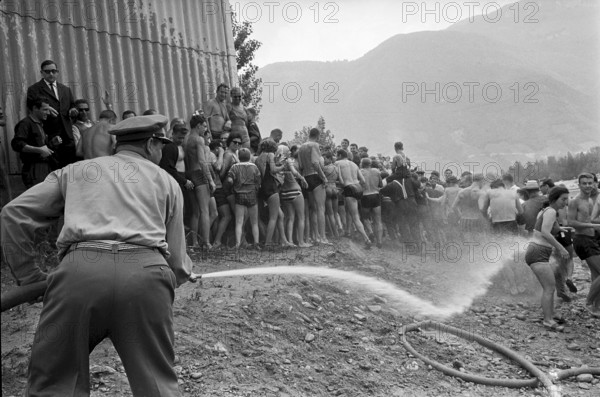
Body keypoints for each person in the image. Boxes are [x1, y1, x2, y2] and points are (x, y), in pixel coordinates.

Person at [1, 114, 199, 395]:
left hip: (79, 276)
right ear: (152, 144)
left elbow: (13, 215)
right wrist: (181, 273)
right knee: (156, 383)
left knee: (56, 383)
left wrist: (29, 277)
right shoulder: (167, 182)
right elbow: (177, 262)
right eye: (162, 144)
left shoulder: (76, 171)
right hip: (145, 279)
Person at [524, 186, 571, 330]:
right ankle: (548, 320)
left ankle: (552, 313)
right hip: (538, 252)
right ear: (555, 199)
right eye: (563, 199)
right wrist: (561, 248)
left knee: (550, 287)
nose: (566, 202)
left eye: (567, 199)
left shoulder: (546, 210)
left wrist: (560, 229)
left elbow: (545, 227)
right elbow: (545, 232)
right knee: (549, 288)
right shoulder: (551, 211)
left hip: (537, 251)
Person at [27, 60, 79, 167]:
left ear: (57, 72)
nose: (51, 74)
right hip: (48, 135)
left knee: (70, 168)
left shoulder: (65, 89)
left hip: (67, 135)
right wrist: (46, 108)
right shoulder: (34, 89)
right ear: (42, 72)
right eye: (47, 71)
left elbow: (72, 105)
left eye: (53, 71)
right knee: (53, 170)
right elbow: (31, 106)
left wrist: (73, 110)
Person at [568, 173, 600, 317]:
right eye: (584, 183)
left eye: (590, 183)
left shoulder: (591, 201)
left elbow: (590, 220)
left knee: (596, 275)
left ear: (594, 184)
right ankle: (588, 303)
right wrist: (592, 226)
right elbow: (571, 222)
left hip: (591, 239)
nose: (588, 185)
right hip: (582, 240)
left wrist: (595, 225)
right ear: (579, 185)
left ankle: (596, 307)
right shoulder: (575, 201)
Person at [11, 96, 60, 187]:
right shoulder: (25, 124)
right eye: (45, 110)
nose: (48, 113)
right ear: (35, 108)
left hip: (45, 167)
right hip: (34, 169)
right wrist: (39, 150)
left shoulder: (40, 124)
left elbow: (43, 147)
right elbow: (17, 144)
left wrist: (52, 143)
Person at [185, 110, 215, 248]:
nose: (205, 129)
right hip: (198, 174)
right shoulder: (199, 139)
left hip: (188, 174)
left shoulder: (186, 139)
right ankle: (207, 243)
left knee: (195, 212)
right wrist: (211, 180)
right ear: (198, 126)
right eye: (204, 126)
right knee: (205, 211)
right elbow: (203, 162)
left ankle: (195, 243)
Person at [255, 139, 291, 247]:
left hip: (263, 188)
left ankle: (284, 240)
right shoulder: (270, 154)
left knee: (280, 215)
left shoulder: (258, 158)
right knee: (273, 217)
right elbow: (273, 170)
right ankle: (268, 243)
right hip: (271, 186)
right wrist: (282, 167)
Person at [298, 128, 330, 245]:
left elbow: (301, 165)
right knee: (321, 208)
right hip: (315, 176)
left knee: (313, 210)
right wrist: (324, 178)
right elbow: (316, 163)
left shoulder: (301, 147)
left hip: (306, 177)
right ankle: (322, 238)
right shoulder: (315, 145)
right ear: (318, 135)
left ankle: (315, 236)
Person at [226, 148, 261, 249]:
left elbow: (229, 180)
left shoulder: (234, 167)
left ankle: (237, 244)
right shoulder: (254, 167)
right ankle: (256, 243)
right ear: (249, 156)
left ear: (239, 157)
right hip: (252, 195)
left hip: (239, 195)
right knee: (254, 222)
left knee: (239, 221)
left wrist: (233, 184)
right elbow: (258, 181)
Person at [336, 149, 371, 247]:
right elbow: (363, 180)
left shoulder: (337, 163)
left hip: (349, 188)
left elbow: (338, 179)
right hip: (358, 188)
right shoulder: (354, 164)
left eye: (336, 155)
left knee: (355, 216)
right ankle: (348, 231)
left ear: (339, 155)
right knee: (350, 212)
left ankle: (366, 239)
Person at [213, 134, 241, 248]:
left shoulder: (235, 154)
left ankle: (232, 241)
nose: (237, 144)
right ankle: (219, 241)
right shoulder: (228, 154)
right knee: (233, 216)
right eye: (235, 142)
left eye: (239, 143)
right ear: (229, 143)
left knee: (234, 216)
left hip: (233, 189)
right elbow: (222, 172)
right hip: (228, 189)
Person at [279, 145, 310, 247]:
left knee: (290, 217)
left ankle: (290, 241)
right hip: (295, 190)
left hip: (284, 193)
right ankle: (301, 242)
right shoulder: (289, 161)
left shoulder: (277, 162)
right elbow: (294, 171)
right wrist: (302, 178)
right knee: (301, 217)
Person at [159, 121, 194, 191]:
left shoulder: (180, 146)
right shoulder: (170, 147)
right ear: (173, 134)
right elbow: (168, 168)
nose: (181, 140)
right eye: (179, 138)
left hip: (180, 178)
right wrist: (184, 180)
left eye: (183, 138)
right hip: (175, 179)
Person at [360, 157, 383, 248]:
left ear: (362, 164)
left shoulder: (360, 171)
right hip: (376, 195)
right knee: (378, 220)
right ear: (370, 164)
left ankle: (370, 232)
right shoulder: (376, 171)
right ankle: (380, 241)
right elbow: (380, 184)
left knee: (365, 218)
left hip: (365, 195)